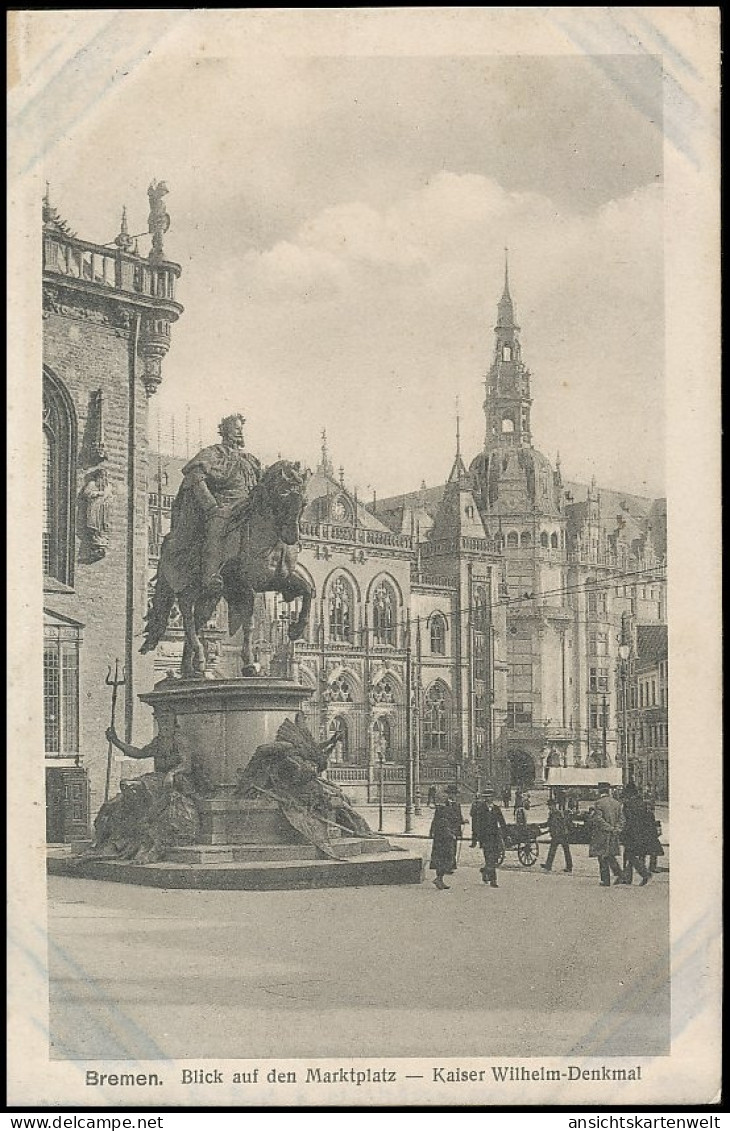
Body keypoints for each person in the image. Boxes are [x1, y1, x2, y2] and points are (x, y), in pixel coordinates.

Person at [166, 413, 262, 597]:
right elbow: (194, 476)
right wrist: (211, 506)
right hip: (224, 506)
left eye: (241, 429)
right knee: (218, 524)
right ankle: (211, 575)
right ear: (224, 430)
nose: (239, 432)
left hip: (248, 508)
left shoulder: (250, 459)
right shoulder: (213, 453)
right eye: (236, 428)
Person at [589, 781, 626, 887]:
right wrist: (617, 829)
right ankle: (620, 874)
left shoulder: (599, 803)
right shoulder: (617, 803)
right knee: (609, 855)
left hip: (602, 834)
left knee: (602, 856)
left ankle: (606, 880)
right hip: (614, 834)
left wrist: (609, 828)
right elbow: (622, 819)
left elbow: (598, 819)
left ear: (600, 791)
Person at [471, 785, 507, 887]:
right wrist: (475, 837)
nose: (488, 798)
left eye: (490, 796)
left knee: (495, 858)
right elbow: (476, 824)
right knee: (489, 858)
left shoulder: (496, 809)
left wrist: (506, 834)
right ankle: (493, 880)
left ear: (493, 798)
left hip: (495, 837)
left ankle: (485, 871)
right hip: (485, 838)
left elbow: (502, 822)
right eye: (486, 796)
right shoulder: (480, 809)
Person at [429, 786, 463, 889]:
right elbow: (437, 820)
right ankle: (439, 878)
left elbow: (458, 819)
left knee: (449, 856)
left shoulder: (457, 805)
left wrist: (460, 829)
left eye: (455, 794)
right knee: (443, 856)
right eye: (452, 793)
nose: (454, 795)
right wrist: (432, 832)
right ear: (448, 794)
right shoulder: (442, 806)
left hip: (452, 834)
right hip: (443, 835)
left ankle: (440, 878)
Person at [621, 781, 652, 885]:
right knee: (634, 854)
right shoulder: (642, 803)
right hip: (642, 833)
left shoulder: (628, 804)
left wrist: (623, 832)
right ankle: (627, 877)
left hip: (631, 833)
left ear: (629, 793)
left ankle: (644, 873)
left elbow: (626, 820)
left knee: (629, 855)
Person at [540, 798, 573, 873]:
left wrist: (552, 831)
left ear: (554, 805)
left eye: (550, 806)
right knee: (556, 850)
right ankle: (549, 865)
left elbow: (555, 824)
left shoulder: (557, 813)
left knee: (563, 851)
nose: (549, 807)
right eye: (549, 806)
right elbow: (549, 823)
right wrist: (540, 826)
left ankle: (568, 867)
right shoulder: (553, 813)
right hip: (559, 834)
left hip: (560, 834)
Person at [644, 790, 665, 872]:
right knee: (653, 851)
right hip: (650, 834)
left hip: (648, 834)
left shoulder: (647, 813)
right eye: (652, 807)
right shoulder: (649, 814)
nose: (653, 809)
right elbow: (650, 823)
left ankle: (646, 866)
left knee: (647, 851)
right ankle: (651, 867)